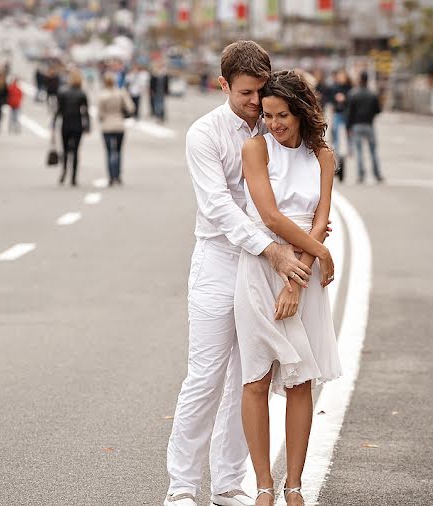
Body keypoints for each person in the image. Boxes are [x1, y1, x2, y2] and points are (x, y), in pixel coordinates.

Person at [165, 40, 316, 506]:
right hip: (218, 260)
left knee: (248, 378)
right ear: (224, 84)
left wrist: (307, 250)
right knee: (206, 375)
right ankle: (183, 487)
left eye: (261, 92)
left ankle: (228, 483)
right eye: (246, 93)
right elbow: (218, 207)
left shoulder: (278, 128)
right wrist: (272, 250)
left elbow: (303, 191)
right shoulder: (204, 134)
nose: (255, 103)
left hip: (265, 266)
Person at [237, 70, 341, 506]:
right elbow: (272, 218)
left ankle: (293, 485)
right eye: (267, 114)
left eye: (282, 115)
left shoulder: (322, 156)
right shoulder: (255, 149)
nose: (274, 123)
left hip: (303, 268)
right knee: (256, 377)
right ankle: (263, 485)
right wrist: (320, 252)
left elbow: (320, 216)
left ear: (301, 112)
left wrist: (305, 266)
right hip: (263, 266)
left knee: (302, 383)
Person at [345, 72, 384, 183]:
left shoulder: (353, 94)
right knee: (373, 151)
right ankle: (377, 174)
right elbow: (378, 110)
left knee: (359, 151)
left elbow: (349, 112)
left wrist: (348, 127)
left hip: (356, 125)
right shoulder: (373, 94)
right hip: (369, 125)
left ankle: (361, 175)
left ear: (359, 80)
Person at [97, 72, 135, 186]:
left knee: (109, 152)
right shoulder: (121, 93)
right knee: (118, 151)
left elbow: (100, 114)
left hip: (107, 126)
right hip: (119, 124)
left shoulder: (102, 95)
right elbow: (131, 107)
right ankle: (118, 175)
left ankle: (111, 177)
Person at [53, 70, 89, 187]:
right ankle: (73, 177)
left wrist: (53, 124)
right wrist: (87, 125)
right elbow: (85, 112)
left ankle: (64, 171)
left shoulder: (63, 92)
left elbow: (58, 110)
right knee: (76, 151)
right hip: (77, 124)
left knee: (65, 150)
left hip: (66, 123)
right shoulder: (82, 93)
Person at [328, 70, 351, 180]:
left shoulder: (349, 88)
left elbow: (352, 101)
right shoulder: (334, 88)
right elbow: (331, 101)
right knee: (336, 139)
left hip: (346, 114)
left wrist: (345, 98)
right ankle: (337, 152)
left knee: (345, 139)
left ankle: (348, 150)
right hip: (337, 114)